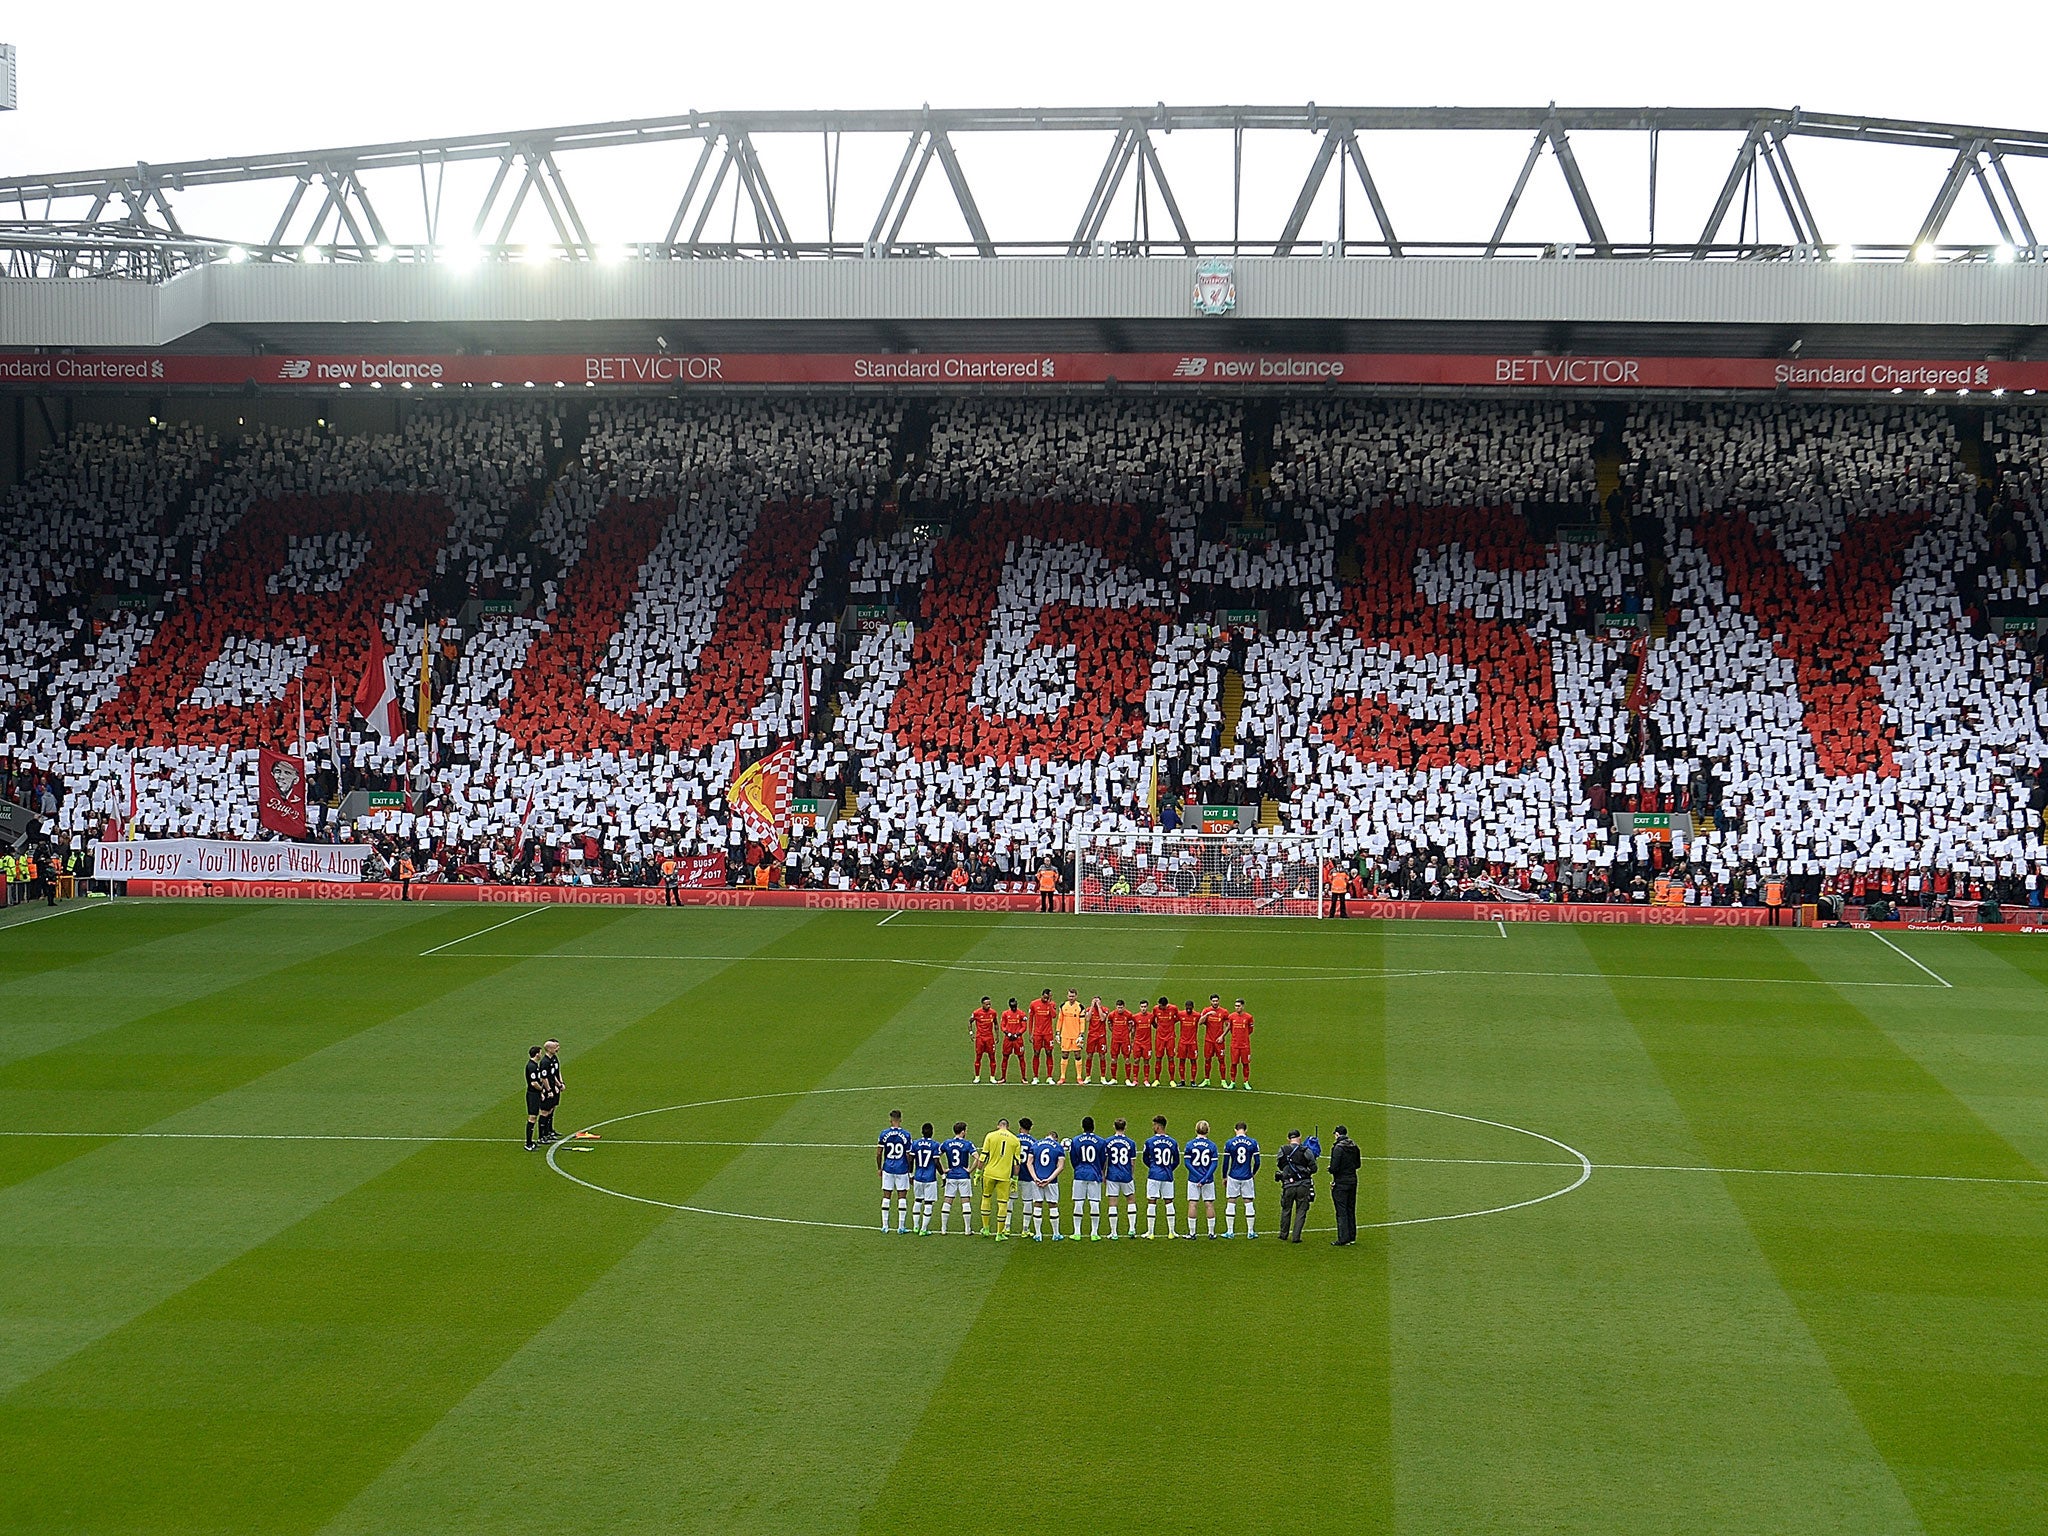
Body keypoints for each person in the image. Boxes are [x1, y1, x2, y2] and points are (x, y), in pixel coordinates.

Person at [974, 1116, 1024, 1241]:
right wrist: (1015, 1179)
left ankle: (985, 1228)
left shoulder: (990, 1136)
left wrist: (978, 1173)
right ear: (1008, 1127)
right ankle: (999, 1234)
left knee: (986, 1197)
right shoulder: (1015, 1140)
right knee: (1002, 1203)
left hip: (989, 1173)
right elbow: (1017, 1163)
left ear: (998, 1126)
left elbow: (983, 1156)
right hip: (1004, 1176)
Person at [1023, 1123, 1065, 1240]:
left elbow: (1028, 1163)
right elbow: (1060, 1166)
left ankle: (1038, 1234)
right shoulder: (1058, 1147)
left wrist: (1035, 1177)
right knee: (1053, 1205)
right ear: (1056, 1138)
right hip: (1051, 1181)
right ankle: (1056, 1234)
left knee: (1037, 1204)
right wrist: (1049, 1179)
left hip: (1036, 1180)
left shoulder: (1035, 1144)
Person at [1067, 1115, 1107, 1240]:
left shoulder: (1075, 1140)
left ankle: (1077, 1232)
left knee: (1078, 1202)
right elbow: (1103, 1160)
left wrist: (1078, 1168)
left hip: (1080, 1174)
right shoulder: (1101, 1141)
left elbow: (1073, 1159)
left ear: (1082, 1126)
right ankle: (1094, 1233)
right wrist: (1100, 1171)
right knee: (1094, 1202)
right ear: (1093, 1126)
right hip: (1095, 1174)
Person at [1142, 1114, 1181, 1239]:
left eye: (1154, 1125)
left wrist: (1153, 1167)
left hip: (1154, 1175)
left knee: (1152, 1202)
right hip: (1168, 1175)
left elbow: (1145, 1158)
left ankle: (1150, 1232)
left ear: (1158, 1126)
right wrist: (1169, 1168)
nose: (1153, 1127)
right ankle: (1171, 1232)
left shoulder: (1149, 1141)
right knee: (1169, 1202)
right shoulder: (1173, 1142)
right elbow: (1177, 1160)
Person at [1221, 1120, 1261, 1238]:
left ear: (1235, 1130)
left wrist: (1224, 1176)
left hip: (1233, 1176)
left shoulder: (1229, 1143)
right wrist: (1253, 1173)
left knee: (1231, 1201)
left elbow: (1225, 1162)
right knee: (1248, 1202)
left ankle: (1230, 1231)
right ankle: (1250, 1232)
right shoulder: (1253, 1142)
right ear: (1246, 1130)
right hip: (1247, 1176)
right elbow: (1258, 1161)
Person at [1276, 1128, 1317, 1243]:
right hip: (1303, 1185)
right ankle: (1296, 1237)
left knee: (1286, 1209)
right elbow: (1314, 1168)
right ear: (1300, 1137)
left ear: (1289, 1139)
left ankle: (1283, 1234)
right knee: (1301, 1210)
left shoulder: (1282, 1150)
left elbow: (1280, 1165)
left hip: (1288, 1184)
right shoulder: (1306, 1151)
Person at [876, 1109, 913, 1234]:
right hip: (902, 1168)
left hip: (888, 1168)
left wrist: (879, 1168)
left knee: (887, 1196)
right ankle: (901, 1227)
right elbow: (908, 1155)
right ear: (901, 1120)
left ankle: (885, 1225)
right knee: (902, 1197)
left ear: (890, 1120)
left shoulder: (884, 1134)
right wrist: (909, 1170)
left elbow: (879, 1153)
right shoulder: (906, 1135)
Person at [1183, 1120, 1220, 1238]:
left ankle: (1192, 1233)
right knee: (1209, 1204)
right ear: (1208, 1130)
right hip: (1208, 1179)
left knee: (1193, 1204)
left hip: (1193, 1179)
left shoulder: (1189, 1145)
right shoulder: (1212, 1145)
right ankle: (1211, 1232)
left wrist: (1198, 1177)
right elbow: (1214, 1164)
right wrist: (1204, 1178)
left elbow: (1187, 1163)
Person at [938, 1120, 976, 1235]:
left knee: (948, 1200)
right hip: (964, 1176)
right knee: (965, 1201)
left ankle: (943, 1229)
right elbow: (978, 1158)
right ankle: (967, 1229)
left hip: (951, 1176)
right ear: (963, 1132)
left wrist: (944, 1169)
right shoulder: (967, 1144)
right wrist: (970, 1170)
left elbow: (936, 1157)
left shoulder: (946, 1143)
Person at [1104, 1116, 1139, 1239]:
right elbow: (1132, 1162)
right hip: (1126, 1175)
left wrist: (1104, 1174)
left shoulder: (1107, 1142)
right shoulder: (1131, 1143)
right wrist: (1131, 1174)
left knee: (1113, 1203)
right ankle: (1132, 1229)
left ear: (1114, 1127)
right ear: (1125, 1127)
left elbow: (1106, 1161)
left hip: (1112, 1175)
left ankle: (1114, 1233)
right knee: (1130, 1200)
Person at [1328, 1123, 1361, 1246]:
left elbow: (1335, 1167)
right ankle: (1352, 1236)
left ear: (1337, 1134)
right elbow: (1358, 1164)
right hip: (1352, 1180)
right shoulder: (1354, 1146)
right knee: (1350, 1209)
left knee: (1341, 1210)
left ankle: (1343, 1238)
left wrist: (1330, 1169)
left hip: (1341, 1182)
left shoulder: (1338, 1148)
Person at [909, 1120, 943, 1234]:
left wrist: (910, 1174)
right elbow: (936, 1162)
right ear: (932, 1132)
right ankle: (923, 1229)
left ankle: (915, 1226)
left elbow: (910, 1160)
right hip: (930, 1178)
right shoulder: (935, 1145)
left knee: (918, 1200)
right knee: (928, 1203)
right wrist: (943, 1175)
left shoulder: (915, 1143)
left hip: (918, 1176)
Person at [1027, 988, 1058, 1083]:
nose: (1046, 999)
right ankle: (1035, 1077)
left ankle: (1049, 1077)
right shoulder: (1034, 1004)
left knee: (1049, 1053)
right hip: (1037, 1034)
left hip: (1048, 1033)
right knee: (1036, 1053)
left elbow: (1054, 1016)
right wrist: (1030, 1033)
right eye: (1045, 997)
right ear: (1042, 995)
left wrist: (1049, 1004)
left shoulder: (1052, 1004)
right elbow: (1031, 1019)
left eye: (1048, 998)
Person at [536, 1038, 563, 1143]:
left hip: (553, 1088)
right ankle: (542, 1136)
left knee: (551, 1109)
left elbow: (554, 1074)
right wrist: (548, 1090)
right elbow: (544, 1078)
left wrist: (559, 1084)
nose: (558, 1048)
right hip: (548, 1090)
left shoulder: (554, 1059)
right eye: (556, 1047)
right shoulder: (545, 1062)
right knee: (545, 1111)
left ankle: (549, 1131)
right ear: (549, 1049)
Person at [1056, 989, 1086, 1084]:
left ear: (1076, 996)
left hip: (1076, 1035)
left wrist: (1081, 1034)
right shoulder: (1063, 1006)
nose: (1071, 998)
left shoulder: (1080, 1007)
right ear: (1067, 996)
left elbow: (1082, 1021)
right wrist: (1057, 1032)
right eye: (1069, 996)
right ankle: (1062, 1077)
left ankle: (1079, 1077)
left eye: (1073, 996)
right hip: (1065, 1035)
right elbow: (1060, 1020)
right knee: (1065, 1055)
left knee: (1077, 1055)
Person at [1199, 994, 1228, 1086]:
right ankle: (1207, 1079)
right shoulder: (1206, 1010)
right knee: (1207, 1060)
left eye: (1216, 1001)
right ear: (1210, 1001)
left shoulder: (1224, 1012)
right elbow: (1200, 1022)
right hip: (1209, 1040)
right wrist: (1207, 1014)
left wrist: (1222, 1036)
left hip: (1219, 1041)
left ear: (1219, 1001)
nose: (1215, 1002)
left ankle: (1223, 1080)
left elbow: (1229, 1025)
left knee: (1221, 1060)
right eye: (1213, 1001)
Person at [997, 996, 1028, 1082]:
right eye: (1012, 1006)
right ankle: (1003, 1077)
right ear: (1009, 1005)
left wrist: (1017, 1034)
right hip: (1008, 1039)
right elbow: (1002, 1025)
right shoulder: (1005, 1014)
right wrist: (1008, 1033)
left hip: (1018, 1039)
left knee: (1021, 1057)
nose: (1014, 1008)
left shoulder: (1022, 1014)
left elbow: (1024, 1026)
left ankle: (1023, 1078)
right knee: (1005, 1057)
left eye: (1015, 1006)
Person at [1226, 998, 1255, 1089]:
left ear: (1243, 1006)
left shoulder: (1248, 1017)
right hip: (1234, 1045)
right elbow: (1230, 1028)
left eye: (1238, 1006)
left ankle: (1246, 1081)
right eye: (1236, 1006)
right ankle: (1232, 1081)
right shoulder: (1231, 1017)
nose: (1237, 1008)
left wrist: (1244, 1036)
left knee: (1245, 1064)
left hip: (1245, 1045)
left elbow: (1250, 1030)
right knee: (1234, 1064)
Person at [523, 1045, 548, 1151]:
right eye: (540, 1052)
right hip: (532, 1094)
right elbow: (534, 1083)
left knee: (534, 1116)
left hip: (535, 1094)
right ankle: (528, 1143)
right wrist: (541, 1090)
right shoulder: (531, 1066)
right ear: (537, 1054)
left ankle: (530, 1142)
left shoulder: (534, 1065)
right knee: (532, 1117)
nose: (541, 1054)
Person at [1082, 995, 1111, 1083]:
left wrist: (1098, 1006)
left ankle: (1102, 1077)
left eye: (1097, 1001)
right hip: (1091, 1036)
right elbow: (1087, 1019)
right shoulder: (1088, 1009)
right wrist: (1091, 1006)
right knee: (1089, 1055)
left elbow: (1102, 1018)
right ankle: (1088, 1076)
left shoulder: (1105, 1009)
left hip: (1101, 1036)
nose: (1095, 1002)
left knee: (1102, 1055)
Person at [1153, 996, 1180, 1086]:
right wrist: (1158, 1027)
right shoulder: (1156, 1009)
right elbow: (1153, 1020)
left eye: (1161, 1006)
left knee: (1171, 1058)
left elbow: (1178, 1017)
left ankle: (1172, 1080)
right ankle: (1157, 1079)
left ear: (1165, 1005)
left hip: (1170, 1037)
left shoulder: (1173, 1008)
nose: (1159, 1006)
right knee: (1158, 1058)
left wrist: (1171, 1023)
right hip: (1160, 1038)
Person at [1107, 997, 1134, 1084]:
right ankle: (1113, 1078)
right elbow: (1109, 1024)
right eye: (1118, 1007)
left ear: (1124, 1007)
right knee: (1113, 1059)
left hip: (1125, 1040)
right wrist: (1114, 1032)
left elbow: (1131, 1026)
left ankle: (1127, 1079)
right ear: (1116, 1007)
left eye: (1121, 1007)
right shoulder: (1112, 1015)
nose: (1120, 1009)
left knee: (1127, 1059)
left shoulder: (1128, 1015)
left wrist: (1126, 1032)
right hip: (1115, 1040)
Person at [971, 995, 998, 1083]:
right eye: (987, 1004)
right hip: (980, 1038)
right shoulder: (976, 1013)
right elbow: (970, 1022)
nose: (989, 1006)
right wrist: (971, 1033)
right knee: (978, 1057)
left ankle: (992, 1077)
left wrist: (997, 1035)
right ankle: (977, 1076)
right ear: (982, 1004)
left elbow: (996, 1024)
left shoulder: (993, 1013)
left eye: (989, 1004)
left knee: (992, 1057)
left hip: (990, 1038)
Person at [1131, 999, 1157, 1087]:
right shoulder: (1135, 1017)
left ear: (1147, 1007)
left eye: (1145, 1007)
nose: (1143, 1009)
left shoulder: (1151, 1016)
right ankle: (1135, 1079)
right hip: (1138, 1042)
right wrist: (1132, 1041)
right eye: (1142, 1007)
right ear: (1139, 1007)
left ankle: (1146, 1079)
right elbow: (1133, 1030)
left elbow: (1155, 1025)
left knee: (1146, 1061)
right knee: (1136, 1060)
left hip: (1147, 1043)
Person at [1175, 998, 1200, 1087]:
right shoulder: (1181, 1014)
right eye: (1187, 1007)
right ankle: (1182, 1080)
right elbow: (1173, 1020)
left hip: (1192, 1043)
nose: (1188, 1008)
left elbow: (1203, 1021)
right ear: (1185, 1007)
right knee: (1182, 1061)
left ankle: (1193, 1080)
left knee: (1193, 1061)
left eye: (1190, 1007)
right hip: (1183, 1042)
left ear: (1193, 1007)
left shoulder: (1197, 1015)